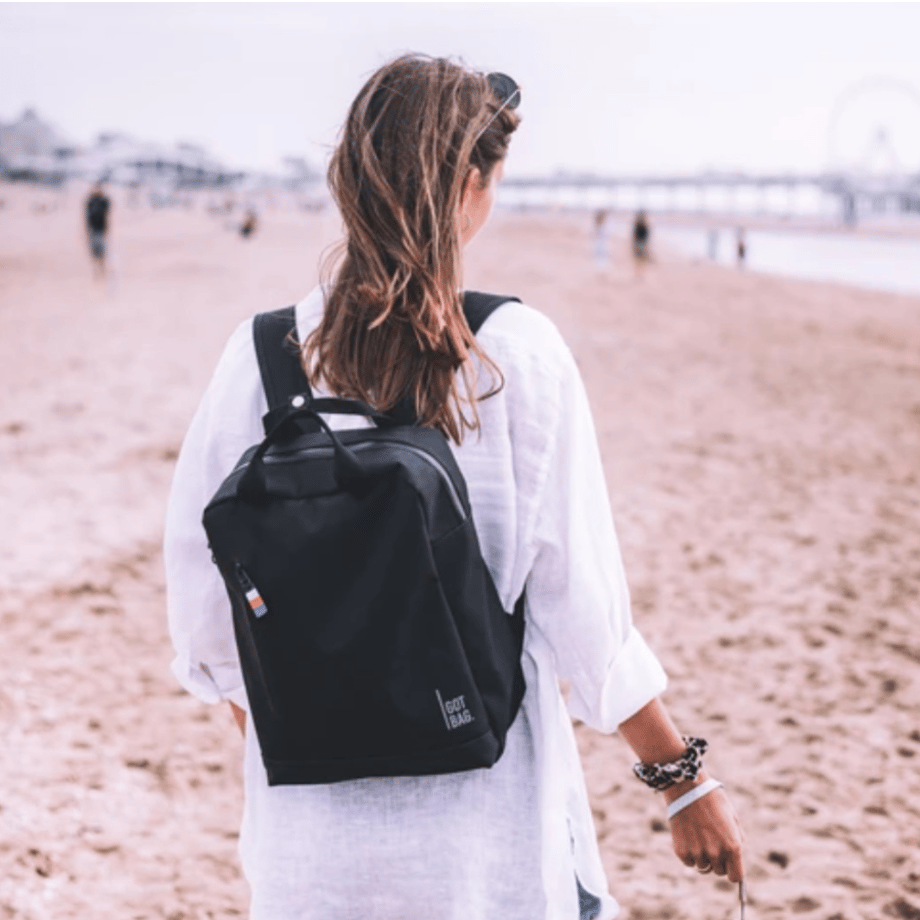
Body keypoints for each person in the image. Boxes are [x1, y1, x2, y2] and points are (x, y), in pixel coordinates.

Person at [164, 54, 744, 920]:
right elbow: (581, 612)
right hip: (487, 845)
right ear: (473, 183)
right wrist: (681, 780)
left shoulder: (259, 358)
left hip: (309, 859)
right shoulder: (515, 353)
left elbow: (206, 618)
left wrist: (309, 728)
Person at [85, 182, 110, 279]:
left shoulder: (104, 201)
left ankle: (103, 272)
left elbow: (108, 215)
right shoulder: (91, 202)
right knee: (94, 254)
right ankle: (96, 273)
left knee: (102, 253)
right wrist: (86, 231)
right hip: (93, 230)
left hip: (101, 230)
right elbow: (87, 217)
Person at [631, 209, 651, 278]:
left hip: (642, 244)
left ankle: (640, 273)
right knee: (638, 259)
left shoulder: (643, 226)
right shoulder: (638, 226)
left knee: (641, 259)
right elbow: (635, 236)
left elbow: (646, 236)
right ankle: (638, 273)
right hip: (639, 243)